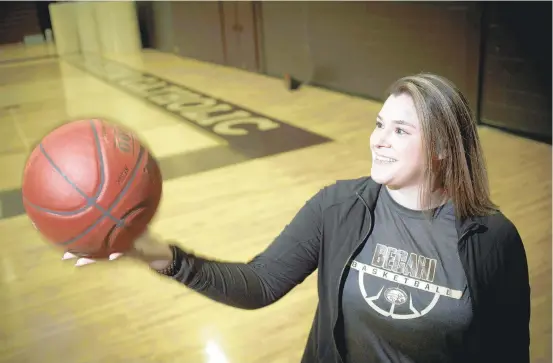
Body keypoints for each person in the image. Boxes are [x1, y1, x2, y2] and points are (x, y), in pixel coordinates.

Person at [63, 73, 531, 363]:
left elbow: (509, 353)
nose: (379, 140)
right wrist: (156, 253)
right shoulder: (338, 208)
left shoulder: (493, 239)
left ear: (445, 148)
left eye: (401, 130)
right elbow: (261, 283)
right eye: (378, 124)